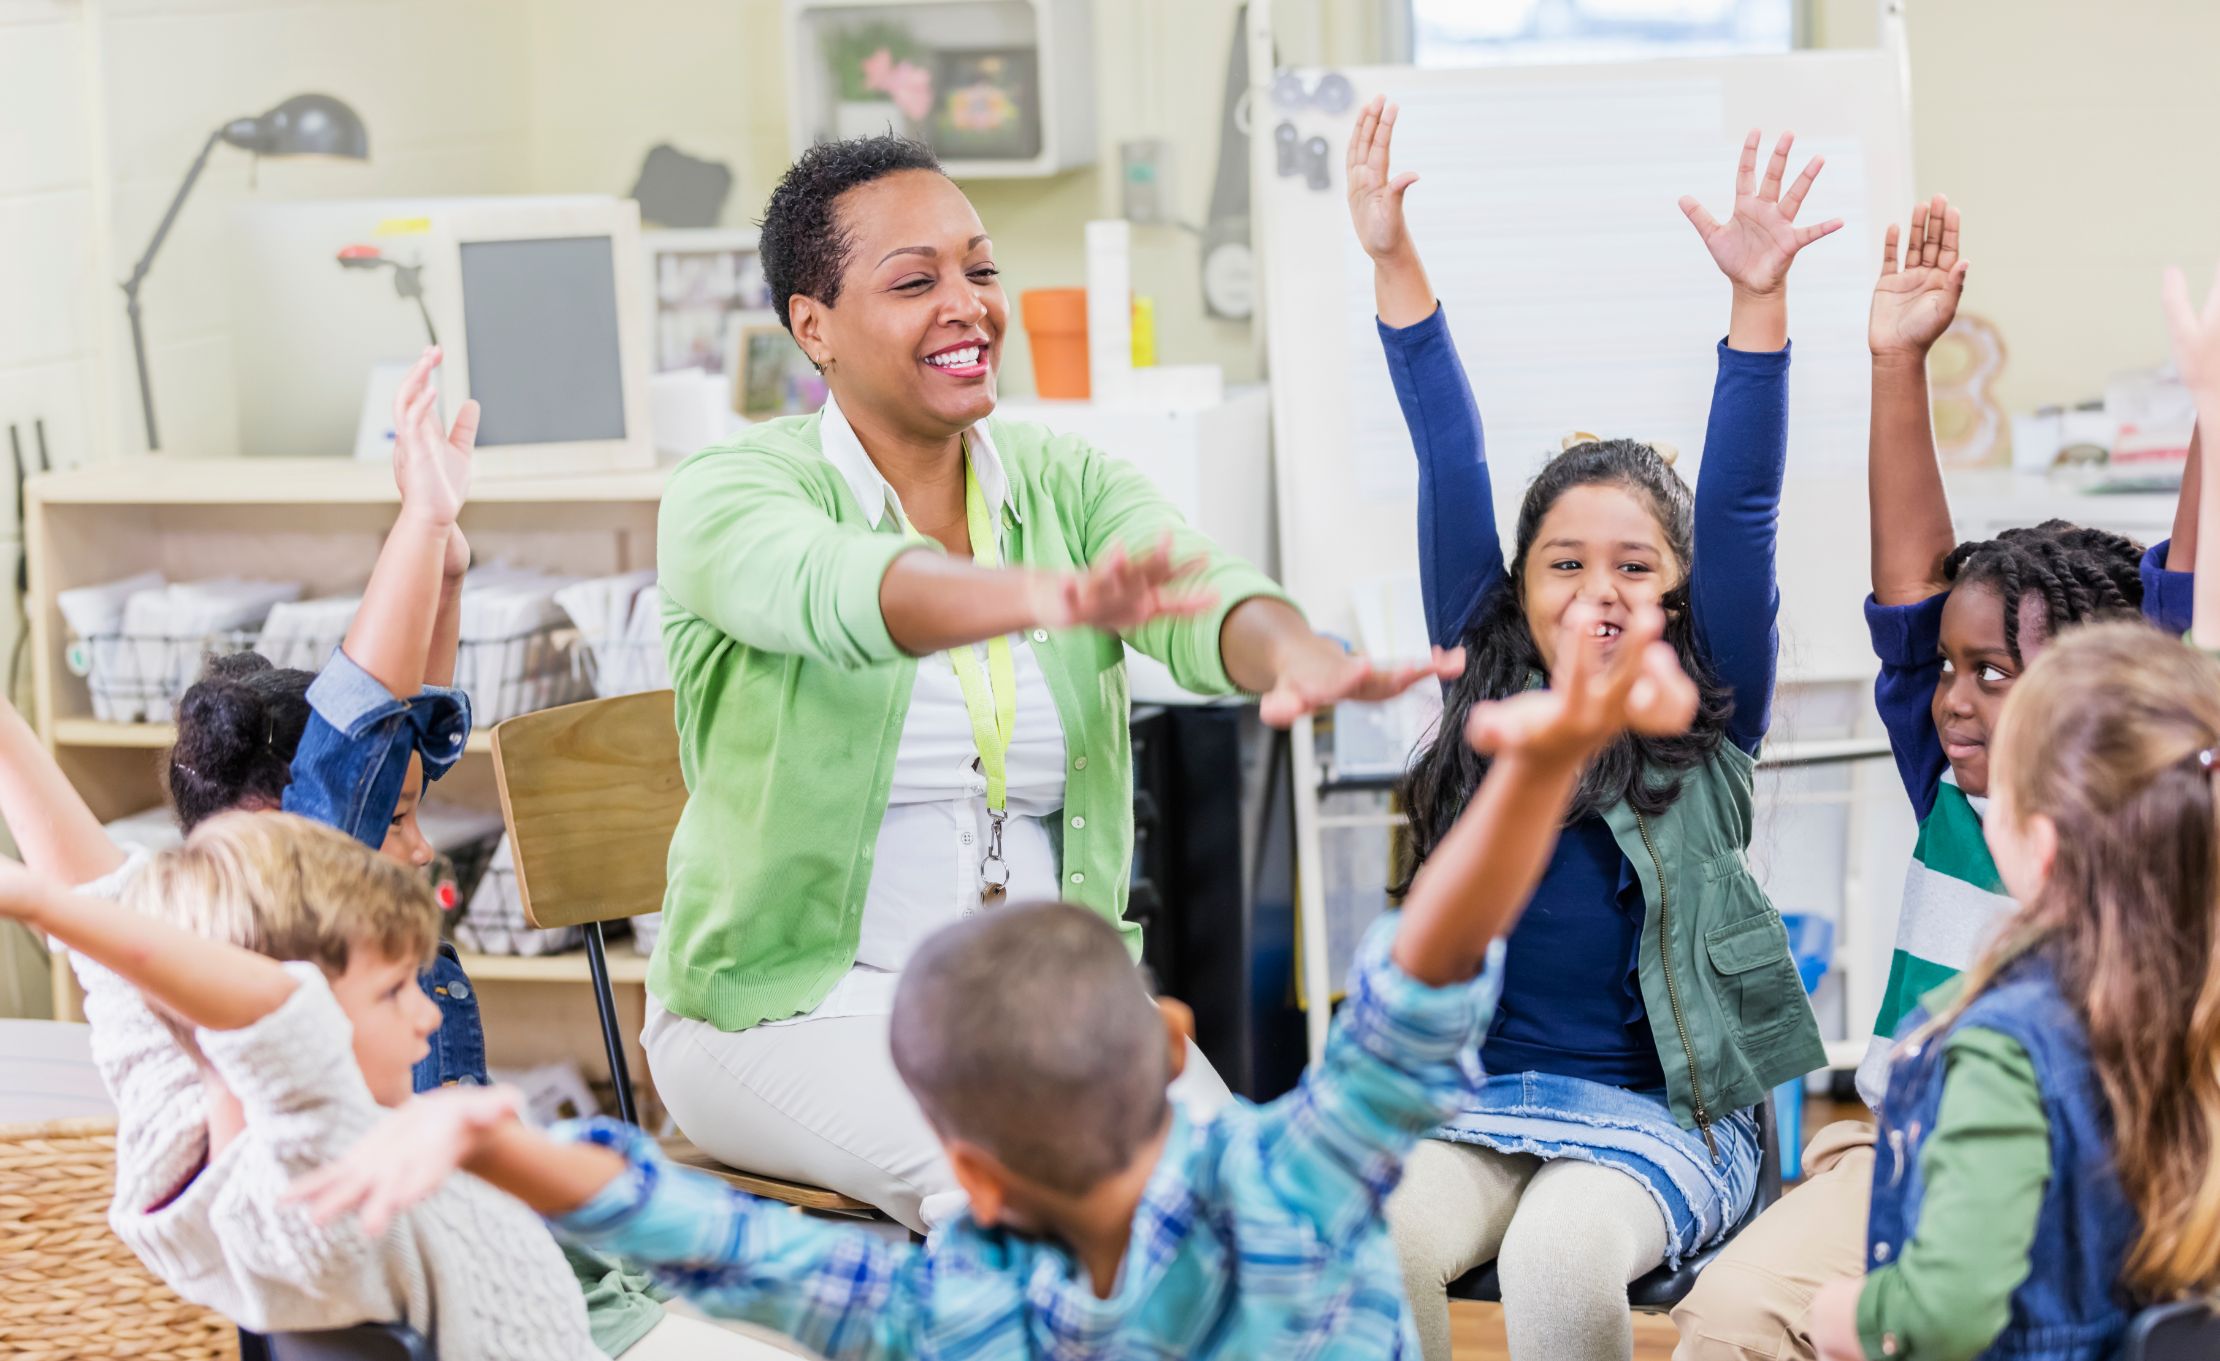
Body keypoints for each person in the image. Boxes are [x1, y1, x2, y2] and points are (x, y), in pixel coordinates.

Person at [297, 601, 1697, 1360]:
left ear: (962, 1174)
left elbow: (712, 1240)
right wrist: (1533, 770)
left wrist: (489, 1132)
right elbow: (1422, 979)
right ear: (1169, 1041)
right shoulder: (1302, 1188)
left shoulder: (950, 1309)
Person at [646, 133, 1456, 1231]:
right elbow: (837, 588)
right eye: (914, 279)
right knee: (1043, 1197)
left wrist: (1295, 650)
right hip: (788, 1009)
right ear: (813, 326)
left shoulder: (1062, 481)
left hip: (1046, 1008)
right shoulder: (731, 491)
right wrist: (1041, 599)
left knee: (1261, 1207)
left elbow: (1200, 588)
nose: (967, 303)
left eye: (980, 270)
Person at [1, 351, 705, 1356]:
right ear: (287, 832)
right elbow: (356, 738)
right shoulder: (289, 966)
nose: (414, 845)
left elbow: (384, 738)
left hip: (545, 1254)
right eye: (390, 818)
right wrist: (418, 529)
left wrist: (448, 568)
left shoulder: (185, 954)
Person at [1671, 202, 2201, 1361]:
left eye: (1997, 675)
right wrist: (1897, 357)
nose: (1954, 700)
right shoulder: (1954, 780)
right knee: (1729, 1314)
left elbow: (2185, 618)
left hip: (2121, 1155)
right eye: (1952, 672)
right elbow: (1914, 594)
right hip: (1910, 1144)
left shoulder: (2151, 800)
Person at [1345, 97, 1827, 1361]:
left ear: (1675, 594)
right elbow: (1447, 453)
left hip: (1665, 1110)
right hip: (1479, 1100)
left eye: (1633, 565)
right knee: (1375, 1234)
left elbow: (1743, 505)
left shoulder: (1712, 701)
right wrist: (1393, 259)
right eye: (1565, 562)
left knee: (1561, 1260)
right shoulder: (1485, 677)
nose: (1597, 589)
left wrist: (1758, 306)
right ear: (1519, 586)